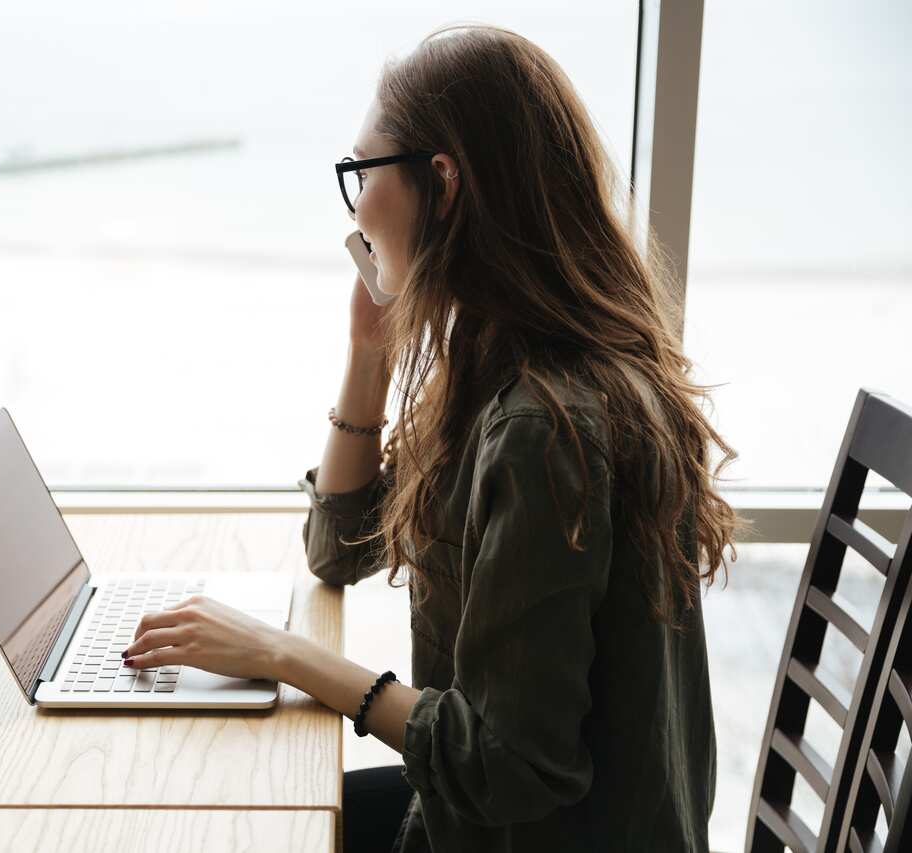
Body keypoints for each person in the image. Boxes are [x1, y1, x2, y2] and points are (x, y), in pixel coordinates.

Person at [120, 23, 739, 852]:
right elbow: (340, 545)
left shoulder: (541, 426)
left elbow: (510, 764)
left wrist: (283, 653)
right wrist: (369, 352)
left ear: (440, 184)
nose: (354, 204)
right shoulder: (510, 362)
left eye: (360, 174)